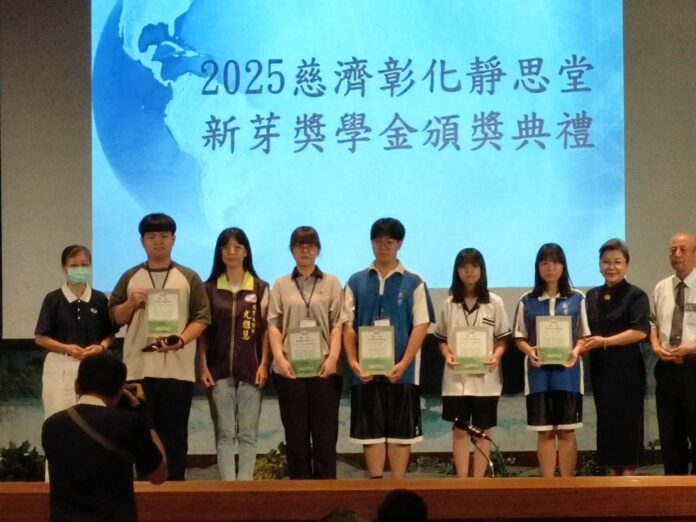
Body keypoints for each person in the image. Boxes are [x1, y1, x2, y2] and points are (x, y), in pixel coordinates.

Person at [108, 213, 211, 480]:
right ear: (142, 241)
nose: (158, 241)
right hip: (138, 370)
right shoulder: (130, 276)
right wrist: (131, 303)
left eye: (164, 236)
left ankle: (174, 490)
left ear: (173, 240)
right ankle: (142, 491)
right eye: (151, 236)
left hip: (177, 371)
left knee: (175, 436)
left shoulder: (189, 276)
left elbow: (202, 317)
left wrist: (180, 340)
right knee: (138, 434)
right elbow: (114, 318)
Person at [343, 217, 434, 479]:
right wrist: (353, 362)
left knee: (400, 435)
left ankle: (397, 487)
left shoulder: (414, 281)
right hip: (366, 373)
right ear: (371, 243)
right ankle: (376, 486)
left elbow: (421, 325)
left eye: (389, 242)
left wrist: (403, 363)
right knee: (370, 434)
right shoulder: (356, 280)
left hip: (402, 374)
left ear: (399, 244)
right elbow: (347, 325)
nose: (383, 247)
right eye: (378, 241)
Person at [42, 353, 166, 522]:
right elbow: (159, 475)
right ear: (119, 392)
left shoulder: (52, 425)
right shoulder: (129, 422)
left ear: (77, 385)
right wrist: (145, 418)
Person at [268, 226, 344, 479]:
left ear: (318, 250)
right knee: (296, 439)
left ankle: (326, 493)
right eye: (299, 245)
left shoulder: (332, 282)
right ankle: (300, 494)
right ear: (291, 250)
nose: (304, 249)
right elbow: (273, 325)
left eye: (310, 244)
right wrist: (280, 359)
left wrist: (333, 358)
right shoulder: (281, 284)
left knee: (325, 439)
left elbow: (337, 324)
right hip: (290, 371)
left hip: (324, 370)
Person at [198, 227, 270, 480]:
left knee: (248, 435)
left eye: (237, 247)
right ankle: (228, 488)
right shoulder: (209, 289)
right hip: (217, 371)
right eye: (226, 247)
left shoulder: (260, 288)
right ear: (220, 253)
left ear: (246, 252)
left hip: (251, 370)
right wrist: (203, 366)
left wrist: (264, 364)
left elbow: (267, 331)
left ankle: (246, 488)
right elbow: (203, 334)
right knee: (225, 434)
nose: (231, 252)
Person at [513, 243, 589, 477]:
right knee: (545, 432)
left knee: (566, 431)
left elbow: (585, 335)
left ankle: (566, 485)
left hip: (569, 375)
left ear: (563, 266)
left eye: (555, 262)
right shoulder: (527, 300)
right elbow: (519, 336)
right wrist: (529, 350)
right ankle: (548, 485)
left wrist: (576, 350)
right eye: (544, 263)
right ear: (537, 267)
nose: (550, 268)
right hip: (538, 376)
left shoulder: (577, 298)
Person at [435, 248, 511, 478]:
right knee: (459, 431)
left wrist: (497, 355)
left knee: (482, 431)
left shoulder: (494, 302)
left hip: (485, 379)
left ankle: (478, 482)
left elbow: (503, 338)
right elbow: (441, 339)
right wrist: (447, 355)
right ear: (457, 271)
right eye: (464, 266)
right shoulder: (449, 303)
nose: (469, 271)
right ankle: (462, 481)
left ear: (482, 270)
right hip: (456, 380)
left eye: (474, 266)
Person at [582, 239, 650, 475]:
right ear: (599, 265)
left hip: (628, 369)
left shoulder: (636, 295)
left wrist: (605, 342)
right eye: (606, 262)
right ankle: (611, 476)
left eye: (617, 262)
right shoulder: (591, 296)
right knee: (607, 422)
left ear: (627, 265)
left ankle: (628, 478)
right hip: (601, 369)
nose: (611, 267)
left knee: (628, 422)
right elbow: (584, 331)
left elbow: (640, 331)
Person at [35, 245, 115, 419]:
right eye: (74, 265)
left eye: (84, 265)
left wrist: (101, 348)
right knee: (58, 417)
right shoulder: (53, 299)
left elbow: (109, 335)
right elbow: (41, 338)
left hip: (93, 365)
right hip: (60, 365)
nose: (80, 269)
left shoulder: (99, 298)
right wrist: (66, 348)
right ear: (64, 268)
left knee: (93, 418)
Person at [649, 232, 696, 475]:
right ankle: (673, 490)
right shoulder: (661, 287)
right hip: (667, 368)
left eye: (683, 249)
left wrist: (691, 348)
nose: (676, 254)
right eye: (673, 250)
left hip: (694, 366)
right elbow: (653, 325)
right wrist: (656, 346)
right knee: (670, 436)